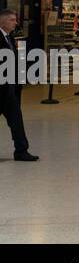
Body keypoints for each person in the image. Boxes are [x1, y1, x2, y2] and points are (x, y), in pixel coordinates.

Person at [0, 9, 37, 162]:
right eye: (13, 20)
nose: (16, 22)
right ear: (2, 21)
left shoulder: (9, 37)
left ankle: (21, 151)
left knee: (16, 120)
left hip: (9, 89)